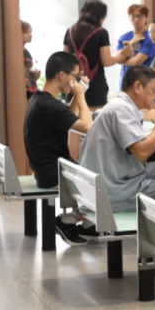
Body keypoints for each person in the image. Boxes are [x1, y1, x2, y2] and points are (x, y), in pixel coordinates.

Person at [79, 65, 155, 215]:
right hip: (111, 193)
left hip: (105, 181)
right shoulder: (121, 109)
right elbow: (141, 153)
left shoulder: (120, 105)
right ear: (138, 87)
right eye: (154, 90)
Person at [24, 52, 93, 240]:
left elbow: (68, 116)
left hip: (46, 171)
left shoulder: (41, 99)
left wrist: (78, 94)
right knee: (106, 178)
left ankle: (85, 224)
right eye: (75, 76)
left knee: (97, 170)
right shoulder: (48, 105)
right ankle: (69, 221)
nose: (75, 81)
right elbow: (87, 126)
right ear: (62, 75)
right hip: (54, 174)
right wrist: (81, 97)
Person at [63, 0, 134, 110]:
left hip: (74, 84)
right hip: (95, 86)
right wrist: (122, 55)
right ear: (101, 16)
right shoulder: (101, 33)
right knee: (94, 118)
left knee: (74, 117)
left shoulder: (70, 31)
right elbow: (107, 61)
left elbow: (65, 60)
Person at [116, 4, 155, 88]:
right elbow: (117, 57)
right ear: (129, 18)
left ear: (146, 18)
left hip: (144, 83)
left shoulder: (150, 38)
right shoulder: (124, 37)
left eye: (140, 16)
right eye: (133, 16)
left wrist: (121, 60)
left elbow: (136, 61)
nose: (136, 19)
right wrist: (131, 42)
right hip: (125, 82)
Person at [21, 20, 40, 98]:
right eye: (27, 32)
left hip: (31, 91)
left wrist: (36, 73)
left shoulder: (26, 53)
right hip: (25, 92)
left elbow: (32, 74)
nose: (30, 35)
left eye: (30, 32)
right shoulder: (16, 53)